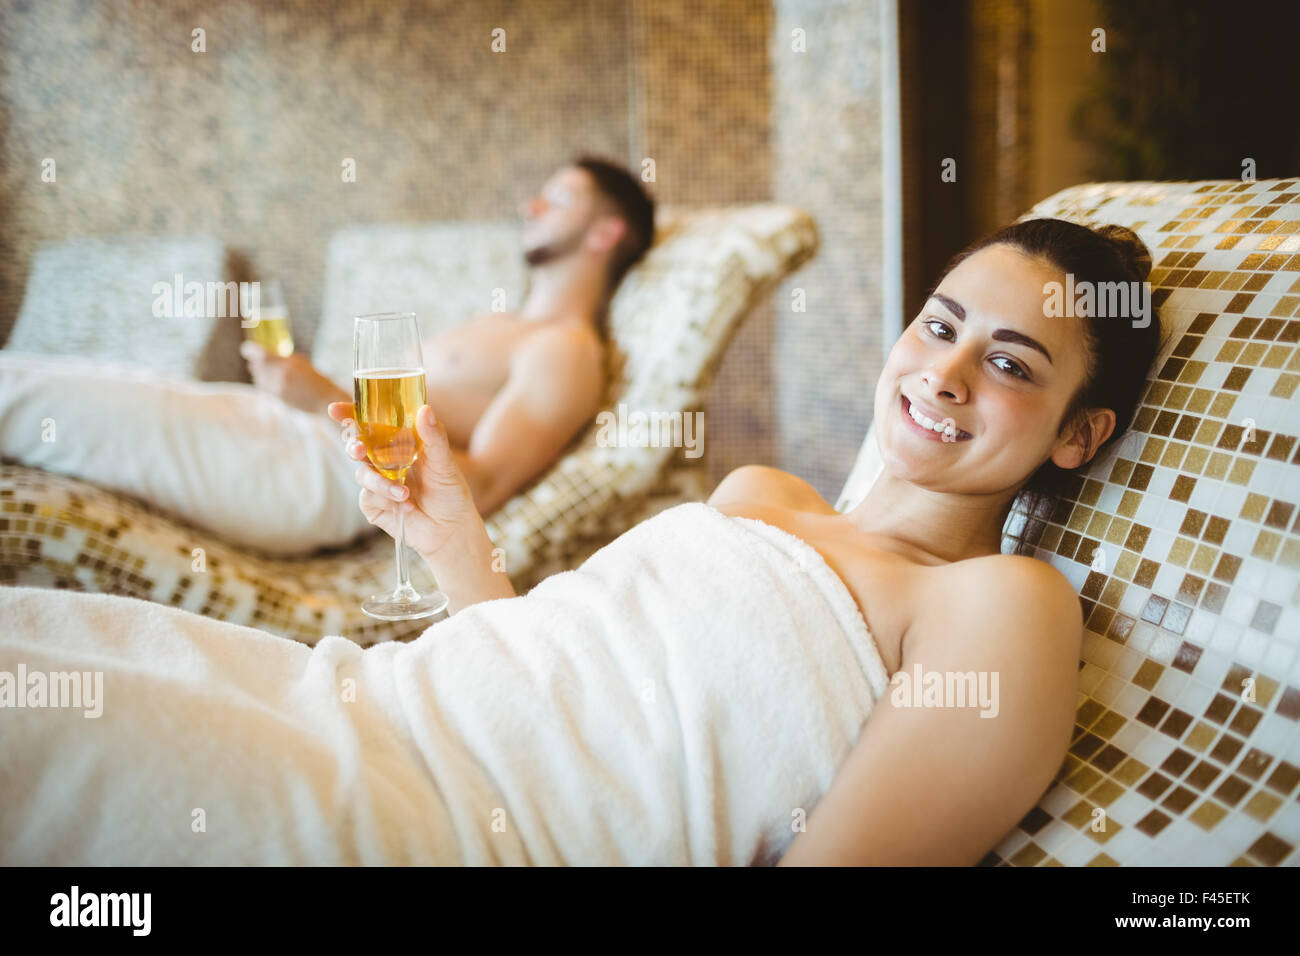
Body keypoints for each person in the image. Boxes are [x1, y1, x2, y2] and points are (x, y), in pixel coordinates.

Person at [0, 218, 1161, 866]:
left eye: (1011, 364)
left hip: (416, 823)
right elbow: (545, 675)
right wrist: (453, 531)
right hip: (350, 696)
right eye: (940, 324)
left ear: (1078, 435)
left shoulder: (997, 603)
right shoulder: (761, 491)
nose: (944, 373)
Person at [243, 155, 656, 516]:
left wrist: (322, 400)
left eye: (559, 199)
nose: (530, 206)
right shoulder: (500, 322)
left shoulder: (565, 350)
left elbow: (482, 489)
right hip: (295, 430)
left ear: (606, 233)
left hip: (338, 470)